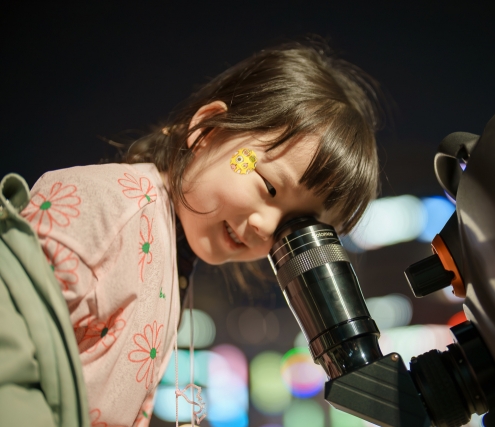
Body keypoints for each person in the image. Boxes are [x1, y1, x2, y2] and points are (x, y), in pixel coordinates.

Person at [17, 41, 383, 426]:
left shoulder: (164, 245)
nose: (267, 227)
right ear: (207, 130)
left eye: (294, 226)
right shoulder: (110, 211)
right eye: (269, 187)